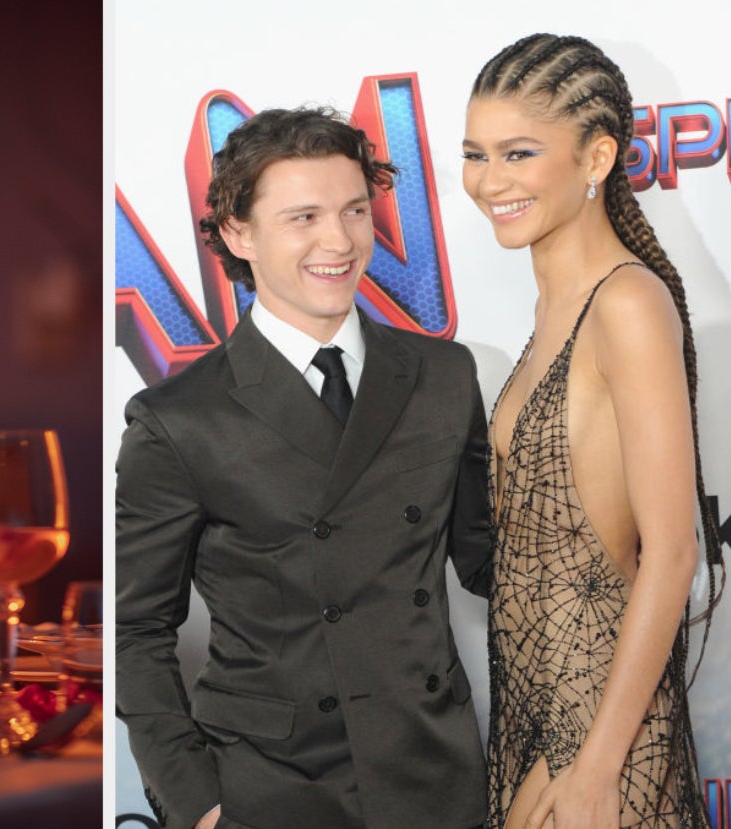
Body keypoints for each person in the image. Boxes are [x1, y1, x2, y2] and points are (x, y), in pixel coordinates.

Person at [116, 105, 495, 829]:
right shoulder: (178, 418)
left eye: (355, 210)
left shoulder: (444, 375)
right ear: (237, 232)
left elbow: (487, 565)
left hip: (435, 779)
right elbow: (135, 630)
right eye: (304, 217)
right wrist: (198, 802)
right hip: (271, 792)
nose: (340, 240)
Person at [462, 33, 722, 829]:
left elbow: (672, 551)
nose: (489, 181)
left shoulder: (628, 303)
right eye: (475, 154)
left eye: (518, 153)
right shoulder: (550, 312)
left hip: (605, 741)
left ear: (597, 156)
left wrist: (596, 765)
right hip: (538, 722)